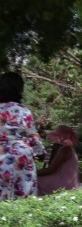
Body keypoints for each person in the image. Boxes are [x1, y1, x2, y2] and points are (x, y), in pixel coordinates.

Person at [0, 71, 46, 200]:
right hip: (21, 156)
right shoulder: (23, 110)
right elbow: (32, 136)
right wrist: (40, 153)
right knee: (24, 200)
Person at [37, 125, 81, 195]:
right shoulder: (67, 149)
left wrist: (33, 173)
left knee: (32, 180)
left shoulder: (66, 149)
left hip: (62, 183)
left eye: (57, 136)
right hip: (67, 182)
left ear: (61, 136)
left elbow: (51, 170)